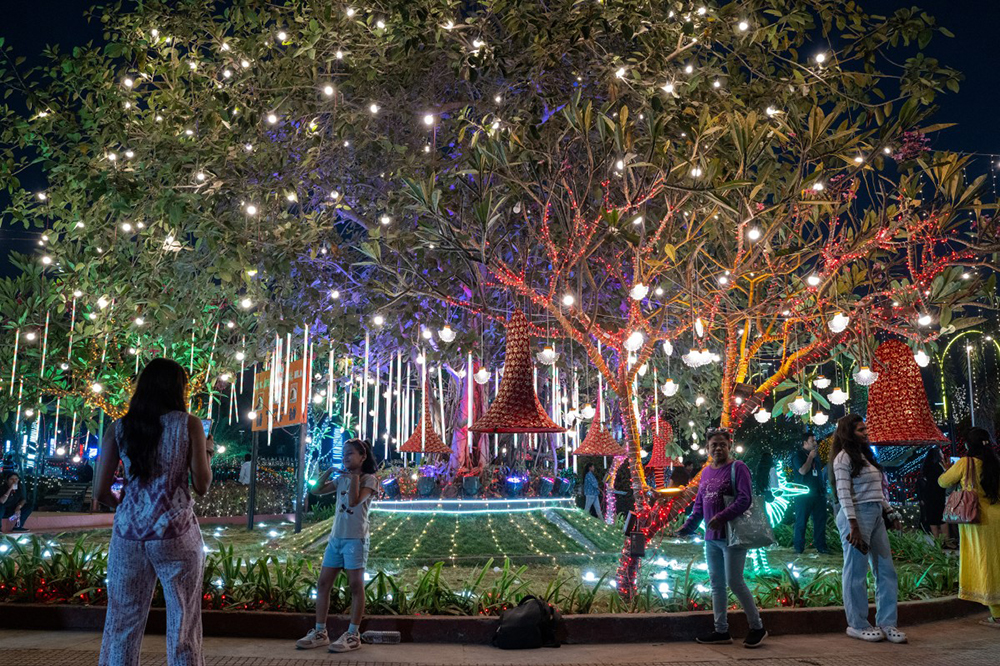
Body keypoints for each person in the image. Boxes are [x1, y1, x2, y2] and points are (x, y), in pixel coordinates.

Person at [95, 358, 215, 666]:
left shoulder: (119, 427)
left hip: (128, 535)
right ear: (178, 388)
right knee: (183, 621)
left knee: (123, 621)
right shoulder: (188, 424)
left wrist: (125, 506)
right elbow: (202, 485)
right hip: (175, 532)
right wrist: (208, 452)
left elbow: (100, 492)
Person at [674, 428, 767, 649]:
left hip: (732, 536)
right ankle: (721, 630)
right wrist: (687, 527)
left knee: (735, 582)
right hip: (711, 538)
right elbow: (699, 505)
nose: (718, 448)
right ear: (708, 448)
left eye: (722, 444)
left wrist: (721, 517)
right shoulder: (706, 472)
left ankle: (757, 627)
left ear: (729, 445)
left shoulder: (738, 468)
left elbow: (745, 499)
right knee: (717, 584)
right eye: (713, 445)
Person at [296, 438, 378, 653]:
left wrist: (352, 478)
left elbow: (353, 502)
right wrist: (330, 470)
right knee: (323, 584)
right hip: (336, 539)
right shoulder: (341, 479)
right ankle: (320, 631)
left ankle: (353, 634)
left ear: (363, 456)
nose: (346, 457)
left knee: (355, 586)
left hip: (355, 539)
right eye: (344, 453)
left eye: (351, 453)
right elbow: (316, 490)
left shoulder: (369, 479)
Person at [830, 414, 906, 644]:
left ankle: (887, 622)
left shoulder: (866, 457)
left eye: (865, 429)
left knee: (886, 570)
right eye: (861, 430)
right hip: (856, 516)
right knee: (855, 571)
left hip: (874, 515)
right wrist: (853, 525)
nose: (866, 433)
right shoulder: (843, 458)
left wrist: (889, 511)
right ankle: (857, 624)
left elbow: (877, 491)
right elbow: (843, 493)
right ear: (848, 432)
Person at [938, 427, 1000, 627]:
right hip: (997, 516)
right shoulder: (996, 463)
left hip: (978, 521)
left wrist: (947, 468)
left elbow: (943, 482)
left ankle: (997, 614)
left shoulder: (966, 463)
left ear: (967, 445)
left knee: (987, 564)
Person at [793, 432, 829, 554]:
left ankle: (821, 546)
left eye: (815, 440)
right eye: (812, 441)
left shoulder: (816, 456)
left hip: (818, 494)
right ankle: (799, 547)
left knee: (820, 521)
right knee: (801, 521)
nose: (815, 443)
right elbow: (802, 471)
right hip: (803, 495)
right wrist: (810, 458)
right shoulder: (798, 455)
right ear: (805, 443)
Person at [917, 447, 948, 539]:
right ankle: (947, 541)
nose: (943, 454)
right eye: (941, 452)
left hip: (929, 496)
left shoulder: (926, 467)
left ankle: (937, 541)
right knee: (942, 518)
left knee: (932, 519)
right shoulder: (938, 467)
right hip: (939, 494)